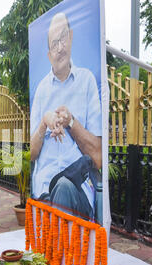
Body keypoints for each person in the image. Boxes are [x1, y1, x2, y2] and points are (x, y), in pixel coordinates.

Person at [30, 12, 102, 221]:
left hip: (76, 188)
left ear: (71, 37)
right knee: (50, 197)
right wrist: (45, 122)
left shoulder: (87, 81)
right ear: (48, 54)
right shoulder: (41, 90)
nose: (60, 47)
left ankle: (59, 251)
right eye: (54, 43)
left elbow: (97, 157)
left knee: (62, 187)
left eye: (63, 38)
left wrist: (71, 122)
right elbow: (32, 154)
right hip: (44, 188)